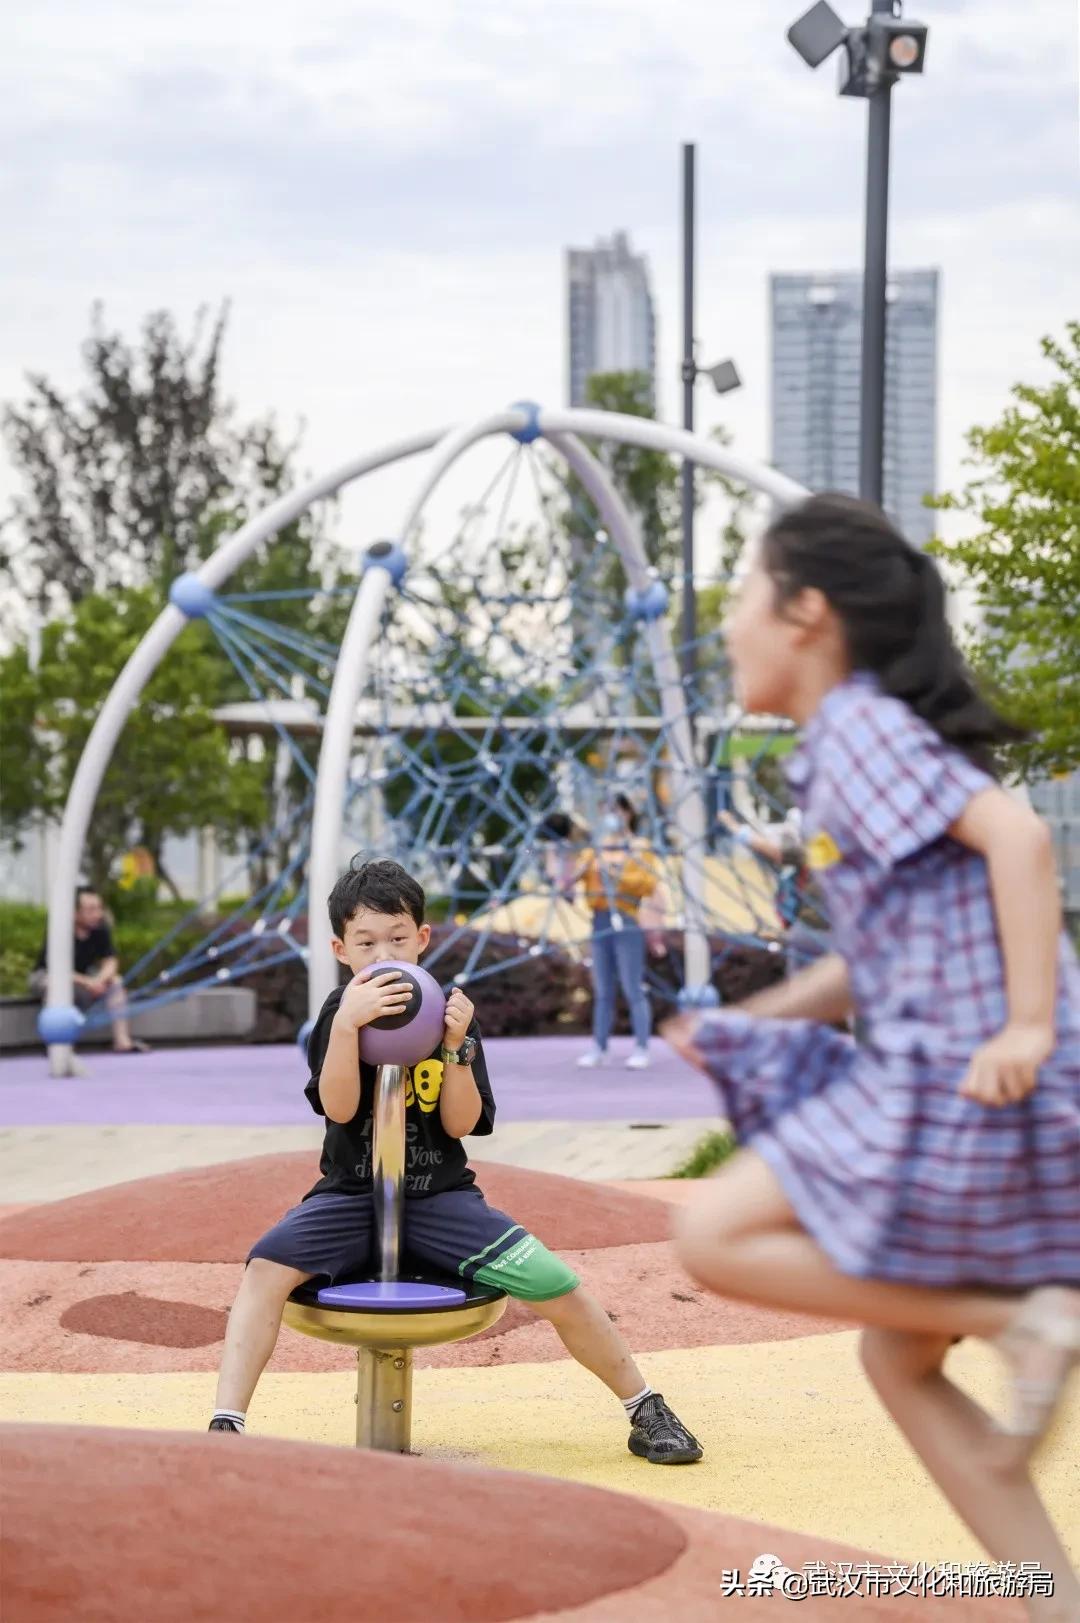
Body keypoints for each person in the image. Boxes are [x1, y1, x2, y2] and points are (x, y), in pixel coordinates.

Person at [663, 493, 1080, 1620]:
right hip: (961, 1060)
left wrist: (1028, 1025)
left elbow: (1020, 836)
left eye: (743, 595)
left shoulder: (857, 727)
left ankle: (1024, 1321)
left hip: (962, 1070)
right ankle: (1054, 1602)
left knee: (712, 1228)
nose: (730, 624)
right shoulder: (840, 746)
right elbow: (881, 948)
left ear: (807, 613)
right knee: (896, 1363)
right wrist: (767, 1018)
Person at [208, 857, 702, 1466]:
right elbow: (338, 1109)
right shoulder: (338, 1014)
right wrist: (345, 1032)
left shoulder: (447, 1012)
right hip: (351, 1195)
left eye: (396, 938)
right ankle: (225, 1424)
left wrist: (456, 1050)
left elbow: (461, 1124)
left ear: (422, 939)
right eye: (365, 943)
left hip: (439, 1196)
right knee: (263, 1272)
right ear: (340, 948)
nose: (382, 954)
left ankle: (643, 1406)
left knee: (555, 1284)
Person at [566, 796, 663, 1071]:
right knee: (603, 989)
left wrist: (616, 875)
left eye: (617, 810)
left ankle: (642, 1047)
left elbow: (647, 883)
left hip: (627, 920)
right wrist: (577, 870)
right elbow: (571, 882)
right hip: (599, 921)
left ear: (629, 813)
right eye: (607, 810)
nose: (612, 816)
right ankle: (600, 1046)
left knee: (633, 987)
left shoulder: (639, 847)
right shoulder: (594, 849)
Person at [30, 886, 149, 1056]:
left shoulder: (100, 929)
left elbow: (110, 961)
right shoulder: (60, 930)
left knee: (116, 982)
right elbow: (56, 969)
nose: (97, 914)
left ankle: (122, 1040)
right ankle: (57, 1043)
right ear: (74, 912)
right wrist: (88, 982)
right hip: (49, 975)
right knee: (55, 985)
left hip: (84, 978)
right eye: (91, 910)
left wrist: (99, 980)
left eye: (99, 908)